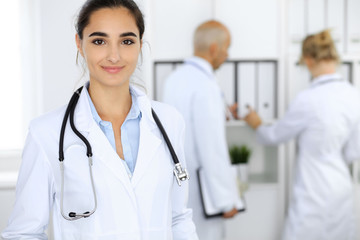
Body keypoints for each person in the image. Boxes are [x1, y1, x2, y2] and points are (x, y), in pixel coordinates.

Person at [1, 0, 198, 239]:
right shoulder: (46, 133)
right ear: (79, 44)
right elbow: (24, 233)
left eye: (126, 41)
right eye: (99, 41)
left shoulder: (169, 122)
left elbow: (178, 219)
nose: (114, 56)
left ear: (140, 43)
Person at [244, 29, 360, 240]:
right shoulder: (354, 96)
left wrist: (257, 123)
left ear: (307, 60)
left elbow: (274, 137)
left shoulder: (307, 99)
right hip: (340, 186)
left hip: (312, 189)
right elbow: (353, 152)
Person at [163, 20, 239, 240]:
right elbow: (212, 148)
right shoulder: (206, 86)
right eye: (226, 48)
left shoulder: (174, 79)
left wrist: (221, 111)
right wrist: (226, 200)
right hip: (204, 193)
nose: (227, 55)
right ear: (214, 48)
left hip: (179, 186)